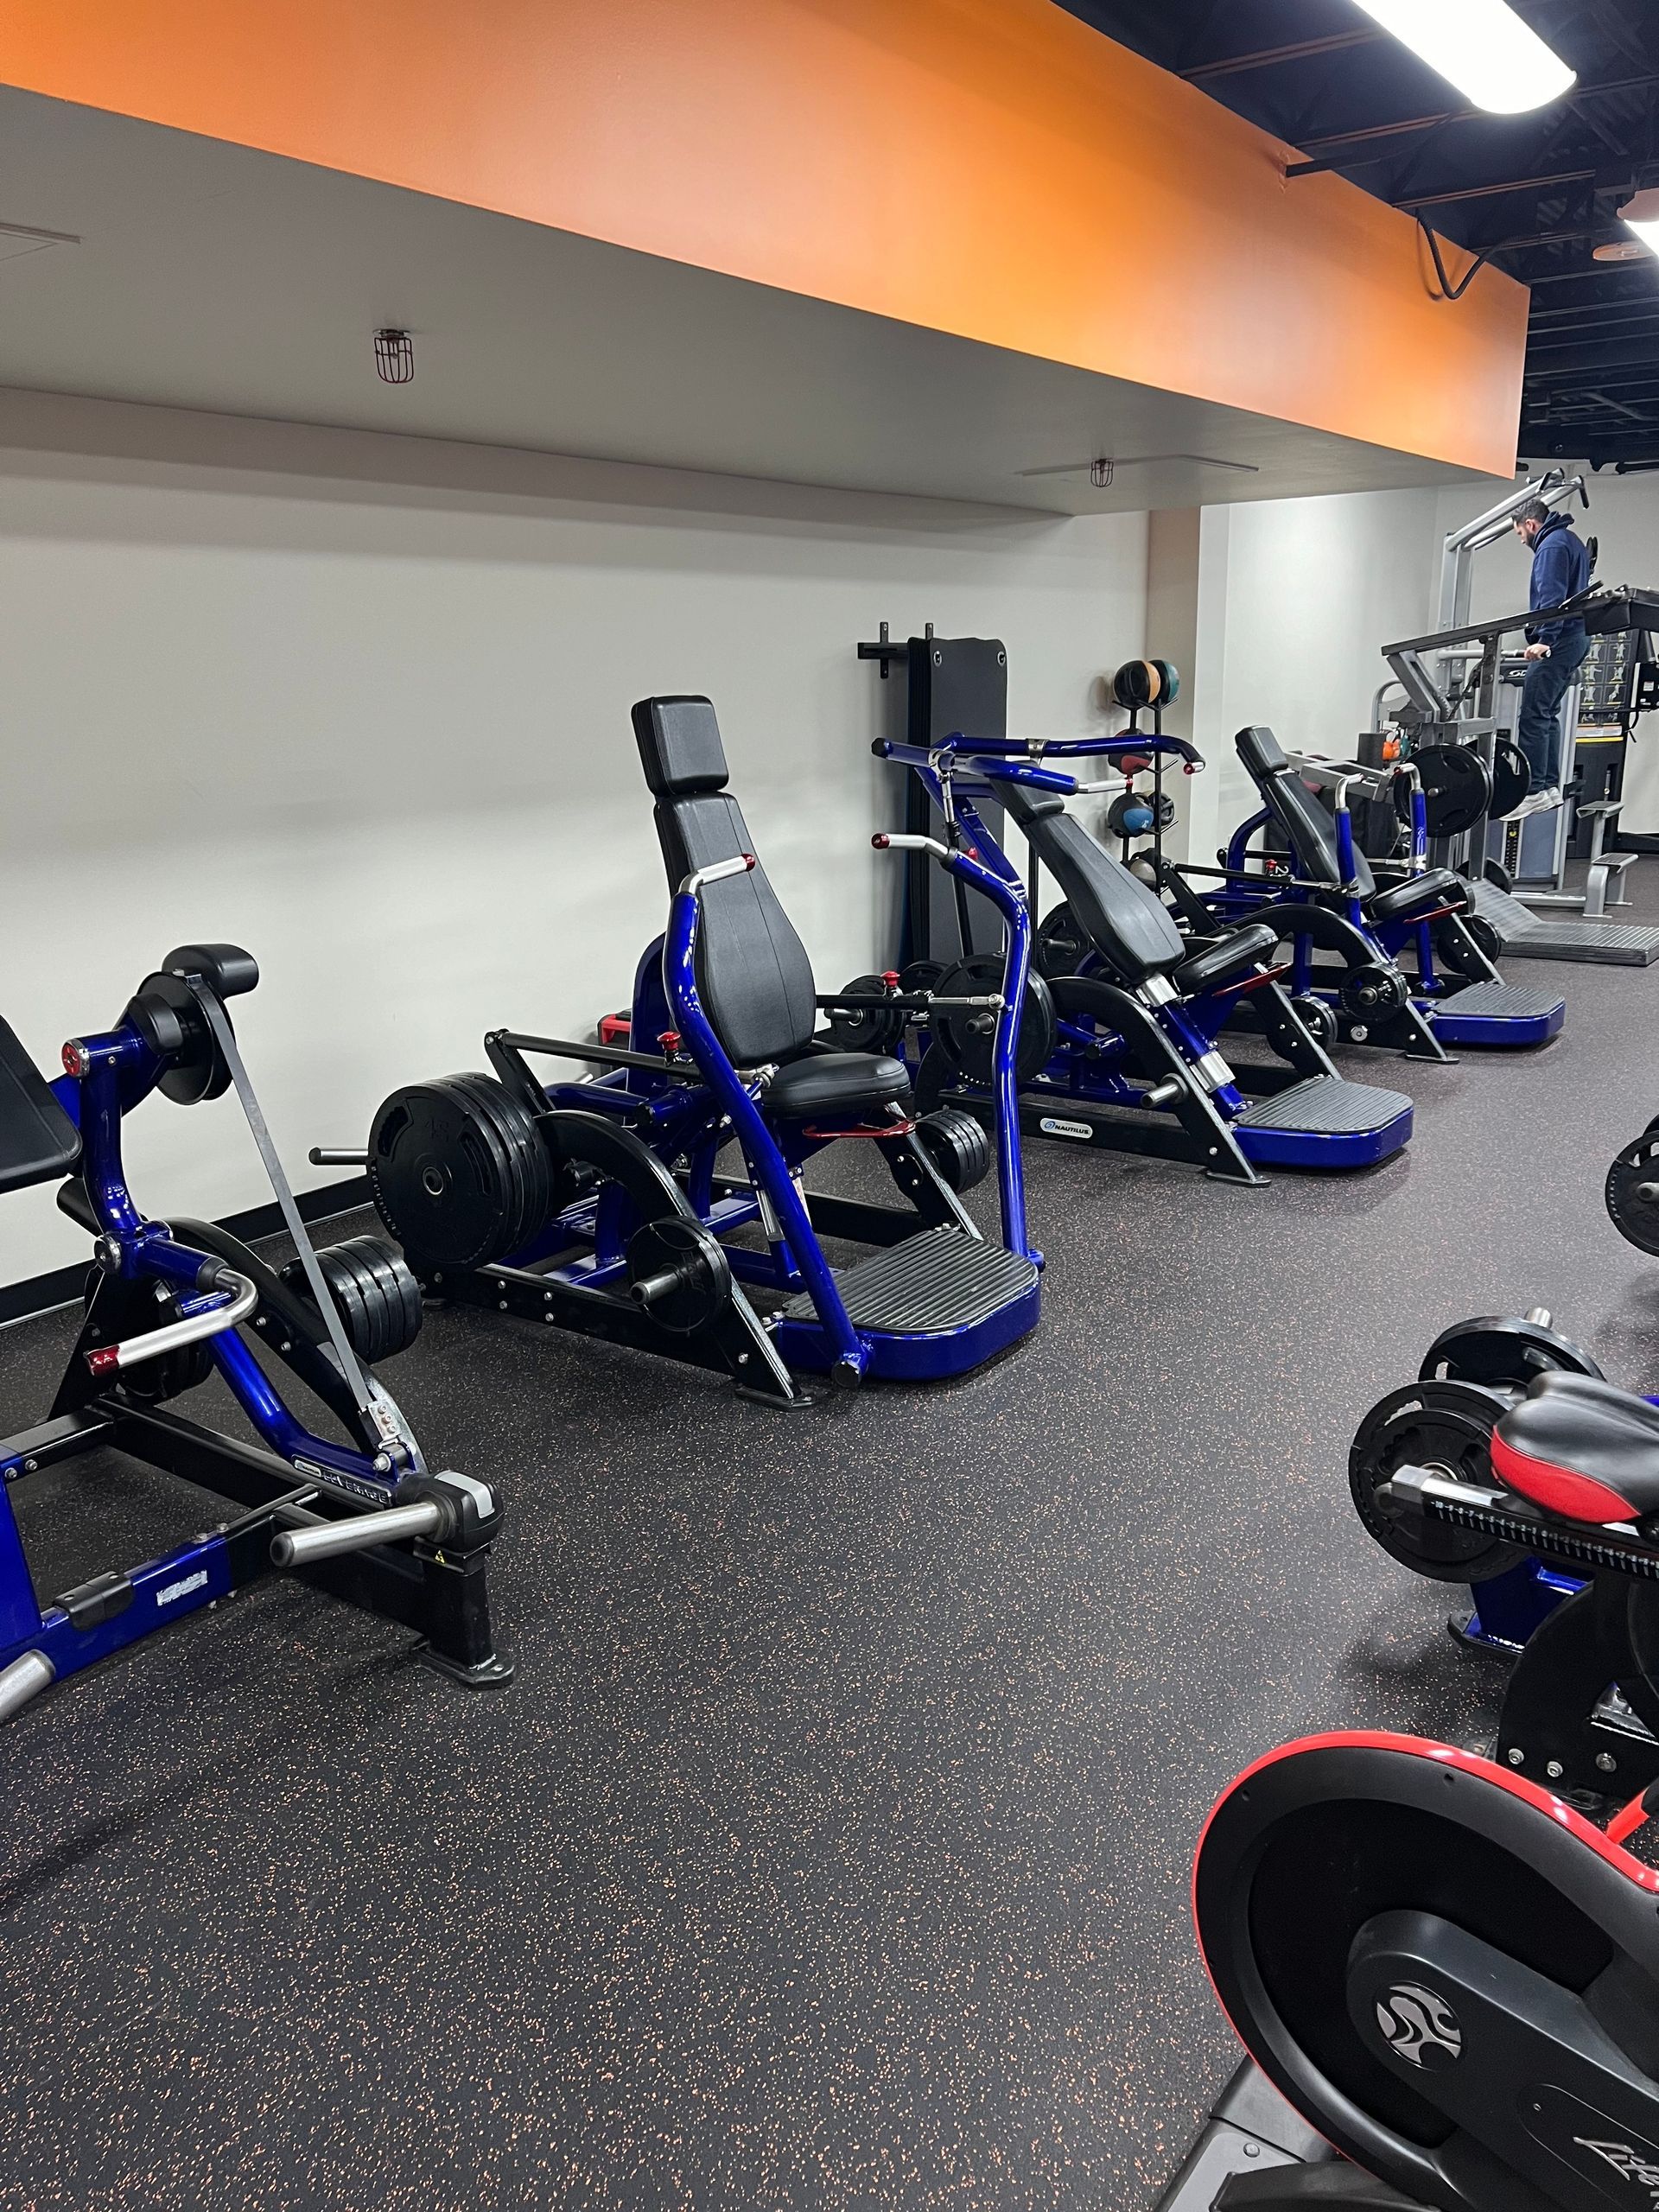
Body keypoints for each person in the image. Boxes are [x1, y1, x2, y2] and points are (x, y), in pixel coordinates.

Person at [1509, 496, 1592, 819]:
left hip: (1562, 639)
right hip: (1575, 637)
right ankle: (1550, 787)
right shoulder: (1570, 540)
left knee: (1532, 716)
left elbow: (1551, 597)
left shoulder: (1552, 546)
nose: (1522, 541)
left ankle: (1534, 791)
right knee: (1547, 714)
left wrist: (1545, 640)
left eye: (1519, 534)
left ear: (1530, 524)